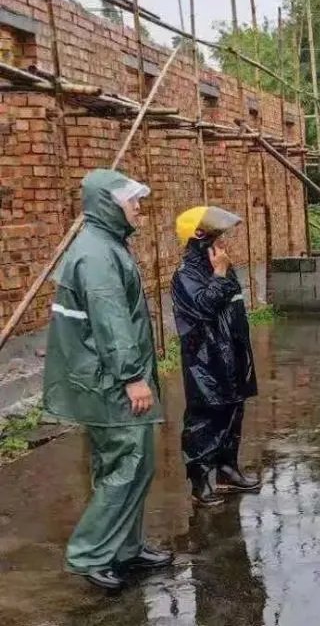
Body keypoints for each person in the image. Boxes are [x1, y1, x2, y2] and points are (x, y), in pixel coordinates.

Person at [43, 169, 173, 591]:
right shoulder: (98, 254)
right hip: (109, 382)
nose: (138, 206)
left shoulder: (104, 245)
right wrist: (132, 377)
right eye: (130, 200)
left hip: (103, 379)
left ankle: (125, 548)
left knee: (127, 464)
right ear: (107, 204)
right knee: (129, 465)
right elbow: (111, 320)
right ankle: (90, 553)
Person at [171, 206, 261, 507]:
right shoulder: (186, 275)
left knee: (233, 411)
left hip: (233, 352)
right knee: (206, 418)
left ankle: (227, 470)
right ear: (200, 237)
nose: (223, 241)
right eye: (217, 235)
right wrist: (220, 274)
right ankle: (200, 481)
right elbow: (203, 308)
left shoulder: (220, 264)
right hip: (205, 359)